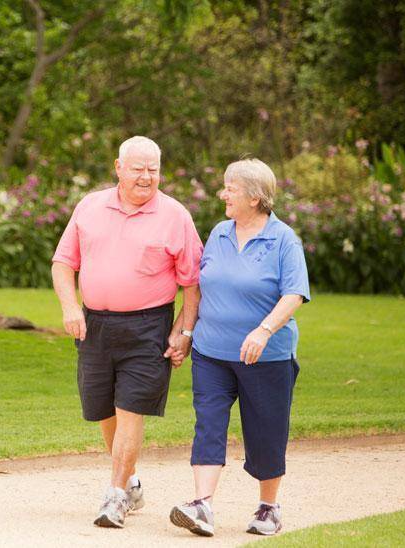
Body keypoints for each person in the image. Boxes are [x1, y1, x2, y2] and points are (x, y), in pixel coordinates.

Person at [52, 136, 203, 529]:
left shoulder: (175, 215)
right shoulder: (90, 206)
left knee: (130, 409)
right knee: (103, 410)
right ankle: (132, 482)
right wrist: (70, 308)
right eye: (137, 168)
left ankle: (116, 495)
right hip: (95, 325)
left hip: (147, 328)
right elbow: (63, 263)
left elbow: (193, 283)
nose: (146, 176)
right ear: (118, 168)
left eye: (153, 169)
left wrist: (184, 331)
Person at [168, 158, 310, 537]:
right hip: (211, 352)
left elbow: (294, 293)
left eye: (230, 187)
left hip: (265, 357)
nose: (223, 194)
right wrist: (185, 332)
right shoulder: (218, 232)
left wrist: (263, 331)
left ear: (255, 196)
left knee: (266, 431)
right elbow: (199, 288)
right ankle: (202, 506)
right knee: (208, 424)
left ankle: (268, 507)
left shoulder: (283, 239)